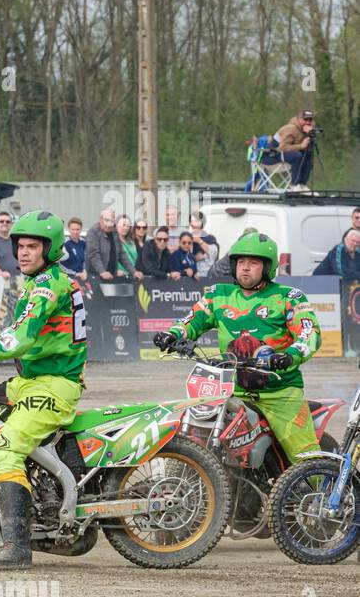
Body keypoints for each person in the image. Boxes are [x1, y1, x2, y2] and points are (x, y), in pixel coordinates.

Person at [0, 212, 87, 570]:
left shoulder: (48, 286)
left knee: (3, 451)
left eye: (32, 246)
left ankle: (18, 546)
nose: (23, 253)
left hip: (54, 385)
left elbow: (22, 337)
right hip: (28, 382)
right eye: (20, 246)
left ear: (50, 249)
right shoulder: (39, 281)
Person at [155, 231, 321, 463]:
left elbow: (309, 333)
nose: (245, 268)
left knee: (305, 459)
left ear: (268, 267)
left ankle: (323, 493)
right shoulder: (218, 295)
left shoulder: (289, 298)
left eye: (253, 263)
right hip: (230, 392)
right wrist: (172, 334)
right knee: (198, 437)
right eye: (241, 262)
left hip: (280, 393)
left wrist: (290, 355)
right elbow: (192, 321)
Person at [85, 207, 130, 283]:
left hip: (112, 277)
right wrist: (102, 271)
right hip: (96, 277)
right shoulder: (93, 232)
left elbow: (121, 254)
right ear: (101, 220)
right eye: (107, 221)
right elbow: (93, 254)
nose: (109, 225)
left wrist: (133, 271)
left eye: (112, 221)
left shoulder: (114, 232)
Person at [274, 109, 316, 189]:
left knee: (308, 155)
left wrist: (309, 135)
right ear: (299, 119)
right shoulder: (291, 128)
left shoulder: (308, 129)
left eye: (310, 120)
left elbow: (308, 147)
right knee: (297, 156)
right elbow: (282, 147)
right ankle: (295, 185)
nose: (308, 122)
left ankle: (302, 185)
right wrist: (301, 146)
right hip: (273, 154)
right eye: (305, 119)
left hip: (288, 154)